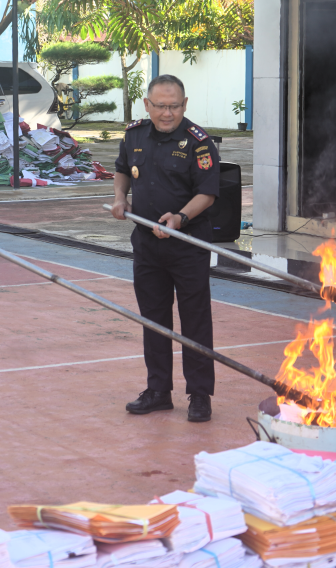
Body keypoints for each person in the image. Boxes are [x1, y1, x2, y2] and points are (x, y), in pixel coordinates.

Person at [110, 74, 221, 422]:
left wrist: (180, 218)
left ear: (184, 105)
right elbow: (121, 170)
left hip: (187, 244)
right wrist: (118, 198)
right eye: (160, 106)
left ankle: (199, 394)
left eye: (174, 106)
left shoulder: (199, 143)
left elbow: (208, 192)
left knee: (195, 320)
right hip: (146, 243)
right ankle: (158, 390)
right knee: (154, 319)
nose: (167, 113)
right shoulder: (135, 134)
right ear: (148, 105)